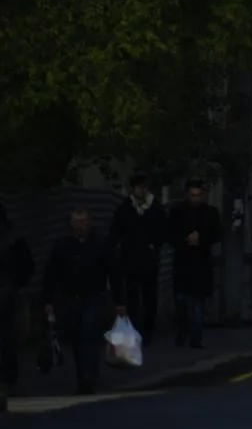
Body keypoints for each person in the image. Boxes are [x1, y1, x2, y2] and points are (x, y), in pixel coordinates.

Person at [44, 207, 114, 395]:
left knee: (88, 335)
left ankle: (87, 378)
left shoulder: (100, 243)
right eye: (76, 222)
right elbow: (51, 273)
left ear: (89, 223)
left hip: (94, 296)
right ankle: (85, 374)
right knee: (77, 338)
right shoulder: (63, 245)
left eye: (83, 221)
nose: (79, 226)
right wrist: (48, 299)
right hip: (70, 297)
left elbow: (113, 271)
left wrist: (119, 300)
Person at [110, 173, 169, 340]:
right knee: (132, 298)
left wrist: (154, 245)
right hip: (130, 260)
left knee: (150, 297)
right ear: (133, 188)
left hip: (149, 261)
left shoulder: (155, 207)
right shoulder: (125, 208)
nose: (142, 190)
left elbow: (163, 231)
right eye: (138, 187)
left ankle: (149, 328)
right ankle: (136, 330)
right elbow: (116, 231)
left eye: (144, 187)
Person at [168, 180, 222, 349]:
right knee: (181, 303)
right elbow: (170, 236)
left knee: (198, 304)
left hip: (201, 263)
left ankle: (195, 338)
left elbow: (217, 234)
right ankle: (182, 332)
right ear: (187, 195)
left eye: (198, 196)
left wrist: (201, 239)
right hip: (183, 263)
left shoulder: (211, 213)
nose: (195, 199)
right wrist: (185, 241)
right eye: (192, 195)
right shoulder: (177, 213)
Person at [1, 202, 34, 413]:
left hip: (7, 292)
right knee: (7, 338)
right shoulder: (14, 236)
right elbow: (27, 266)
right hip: (8, 293)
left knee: (6, 338)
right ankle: (8, 380)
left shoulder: (13, 238)